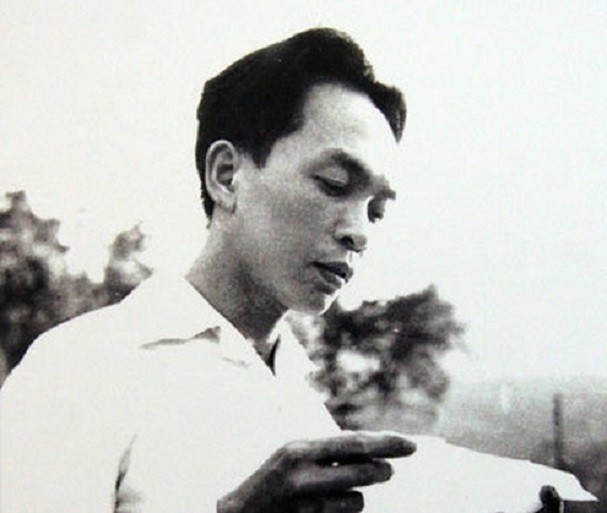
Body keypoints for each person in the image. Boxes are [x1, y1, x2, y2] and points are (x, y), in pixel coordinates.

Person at [0, 28, 581, 513]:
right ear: (226, 176)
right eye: (334, 184)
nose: (359, 232)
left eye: (377, 210)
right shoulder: (81, 369)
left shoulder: (298, 398)